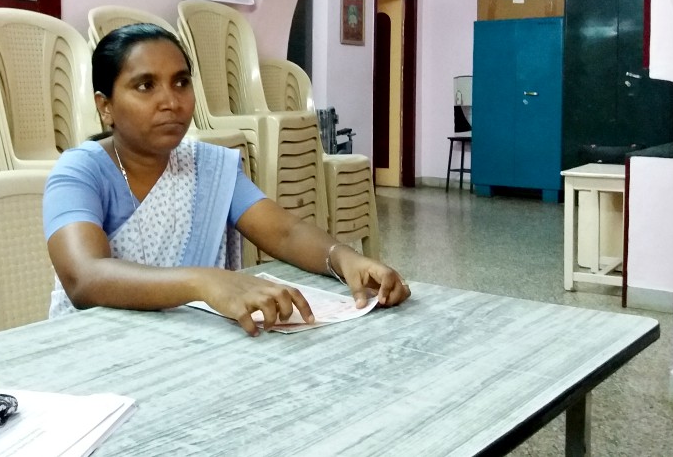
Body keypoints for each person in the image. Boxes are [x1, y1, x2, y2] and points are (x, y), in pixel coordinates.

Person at [43, 23, 410, 335]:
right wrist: (205, 282)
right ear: (105, 105)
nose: (171, 101)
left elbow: (285, 233)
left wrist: (344, 259)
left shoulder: (208, 166)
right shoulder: (80, 172)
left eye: (181, 82)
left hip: (192, 348)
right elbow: (84, 277)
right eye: (145, 86)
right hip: (95, 349)